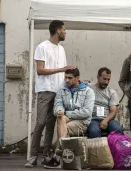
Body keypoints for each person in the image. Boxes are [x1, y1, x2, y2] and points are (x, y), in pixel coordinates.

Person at [25, 20, 75, 167]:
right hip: (45, 90)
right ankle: (33, 156)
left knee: (51, 125)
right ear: (58, 30)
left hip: (58, 91)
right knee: (40, 123)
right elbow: (40, 70)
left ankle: (46, 155)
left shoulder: (61, 49)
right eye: (64, 30)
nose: (65, 32)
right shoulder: (42, 47)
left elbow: (65, 72)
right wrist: (61, 69)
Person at [44, 68, 95, 169]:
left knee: (63, 125)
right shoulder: (61, 90)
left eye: (70, 78)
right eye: (65, 78)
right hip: (65, 119)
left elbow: (86, 112)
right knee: (61, 119)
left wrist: (67, 113)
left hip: (82, 122)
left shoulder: (88, 91)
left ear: (77, 78)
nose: (67, 80)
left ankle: (57, 156)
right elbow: (57, 106)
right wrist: (59, 111)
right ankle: (61, 156)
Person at [87, 67, 122, 138]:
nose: (106, 82)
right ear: (98, 77)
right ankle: (98, 149)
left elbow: (113, 112)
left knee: (117, 129)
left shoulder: (111, 92)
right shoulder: (89, 88)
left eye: (108, 79)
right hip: (93, 119)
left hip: (108, 119)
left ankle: (117, 148)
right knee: (94, 131)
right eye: (104, 79)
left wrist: (106, 120)